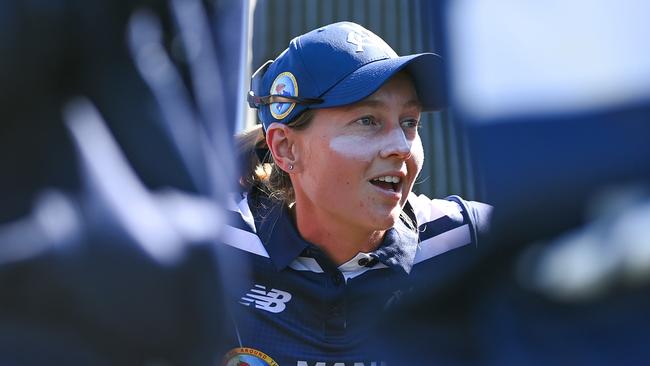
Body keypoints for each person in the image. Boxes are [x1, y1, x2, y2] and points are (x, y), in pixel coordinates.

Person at [221, 21, 492, 366]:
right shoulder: (215, 248)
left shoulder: (467, 242)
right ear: (286, 148)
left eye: (409, 122)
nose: (402, 148)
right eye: (367, 121)